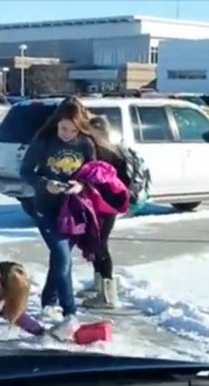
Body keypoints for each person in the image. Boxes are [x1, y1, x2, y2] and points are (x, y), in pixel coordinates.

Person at [19, 96, 113, 339]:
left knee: (59, 259)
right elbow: (25, 171)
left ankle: (48, 301)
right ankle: (70, 311)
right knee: (62, 256)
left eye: (72, 129)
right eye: (63, 128)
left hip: (73, 210)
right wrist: (45, 183)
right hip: (45, 208)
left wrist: (80, 186)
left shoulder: (85, 144)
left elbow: (94, 174)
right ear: (56, 123)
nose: (67, 134)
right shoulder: (45, 140)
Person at [75, 115, 128, 309]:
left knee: (100, 245)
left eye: (92, 131)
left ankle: (108, 295)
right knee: (95, 243)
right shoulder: (103, 149)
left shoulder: (107, 152)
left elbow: (115, 181)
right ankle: (99, 285)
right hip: (100, 205)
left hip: (106, 205)